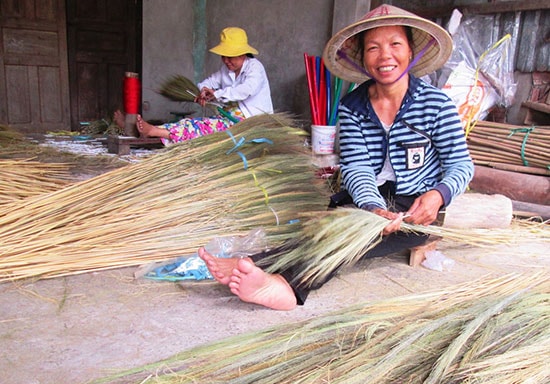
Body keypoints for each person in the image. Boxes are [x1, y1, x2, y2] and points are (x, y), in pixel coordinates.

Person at [198, 4, 474, 310]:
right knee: (329, 227)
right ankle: (259, 265)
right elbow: (357, 167)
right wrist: (371, 206)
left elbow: (460, 164)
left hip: (418, 206)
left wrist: (438, 195)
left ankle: (284, 285)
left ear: (411, 52)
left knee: (351, 239)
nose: (385, 56)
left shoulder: (435, 103)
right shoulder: (352, 106)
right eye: (373, 48)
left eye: (395, 44)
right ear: (362, 58)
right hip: (370, 198)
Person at [114, 27, 273, 144]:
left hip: (251, 120)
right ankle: (139, 130)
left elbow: (246, 90)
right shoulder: (226, 70)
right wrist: (203, 91)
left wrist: (217, 94)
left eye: (231, 57)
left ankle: (153, 131)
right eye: (224, 56)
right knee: (188, 123)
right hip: (230, 118)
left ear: (243, 54)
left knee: (202, 126)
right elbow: (208, 82)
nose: (226, 61)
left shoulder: (254, 67)